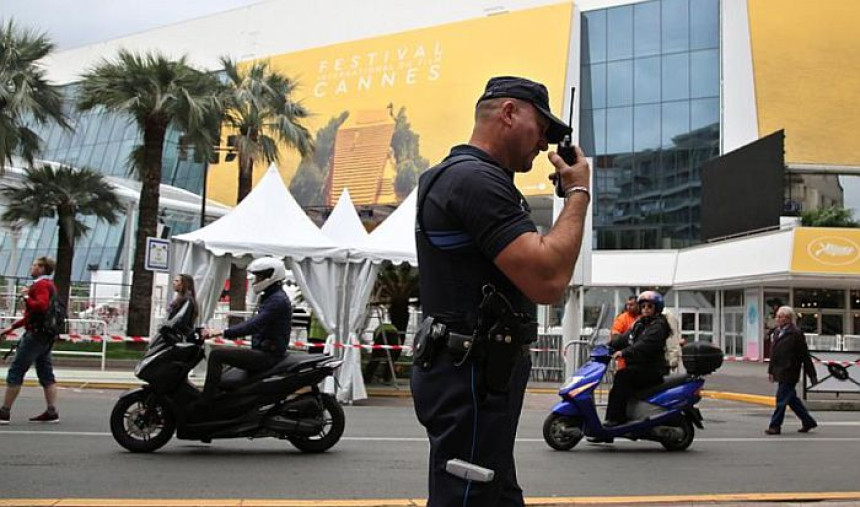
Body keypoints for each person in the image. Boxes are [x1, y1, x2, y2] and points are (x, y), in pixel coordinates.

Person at [411, 76, 590, 507]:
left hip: (472, 370)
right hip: (471, 374)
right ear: (509, 113)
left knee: (492, 492)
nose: (545, 144)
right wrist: (578, 193)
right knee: (471, 493)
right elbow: (547, 279)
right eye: (541, 128)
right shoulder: (476, 181)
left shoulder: (459, 176)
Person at [202, 257, 292, 400]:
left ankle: (207, 400)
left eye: (259, 276)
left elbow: (254, 325)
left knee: (216, 355)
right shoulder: (271, 296)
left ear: (270, 276)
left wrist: (222, 332)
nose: (256, 281)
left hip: (268, 355)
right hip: (264, 350)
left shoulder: (276, 300)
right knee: (228, 368)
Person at [0, 257, 61, 424]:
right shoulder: (51, 285)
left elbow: (40, 307)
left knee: (16, 371)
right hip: (46, 336)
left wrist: (26, 296)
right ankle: (51, 411)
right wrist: (13, 327)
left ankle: (4, 412)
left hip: (35, 336)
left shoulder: (40, 285)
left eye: (34, 265)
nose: (31, 267)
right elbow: (33, 315)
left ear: (41, 268)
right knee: (46, 373)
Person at [604, 290, 670, 427]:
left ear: (656, 309)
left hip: (651, 369)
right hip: (639, 367)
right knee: (621, 379)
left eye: (650, 306)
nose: (645, 309)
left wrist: (624, 353)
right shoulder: (639, 323)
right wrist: (606, 347)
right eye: (643, 306)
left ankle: (616, 419)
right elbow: (625, 338)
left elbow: (643, 345)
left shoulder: (658, 326)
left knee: (622, 377)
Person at [765, 305, 818, 435]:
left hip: (790, 372)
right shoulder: (777, 332)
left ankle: (775, 426)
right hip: (779, 371)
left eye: (780, 317)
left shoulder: (796, 334)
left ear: (788, 318)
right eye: (777, 316)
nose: (777, 319)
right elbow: (774, 354)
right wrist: (771, 371)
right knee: (791, 399)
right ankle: (808, 421)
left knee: (781, 399)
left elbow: (804, 355)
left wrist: (812, 375)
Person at [164, 274, 199, 339]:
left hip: (180, 338)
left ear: (185, 284)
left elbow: (182, 321)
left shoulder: (187, 301)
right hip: (175, 336)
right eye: (174, 280)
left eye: (177, 281)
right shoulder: (179, 300)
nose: (174, 283)